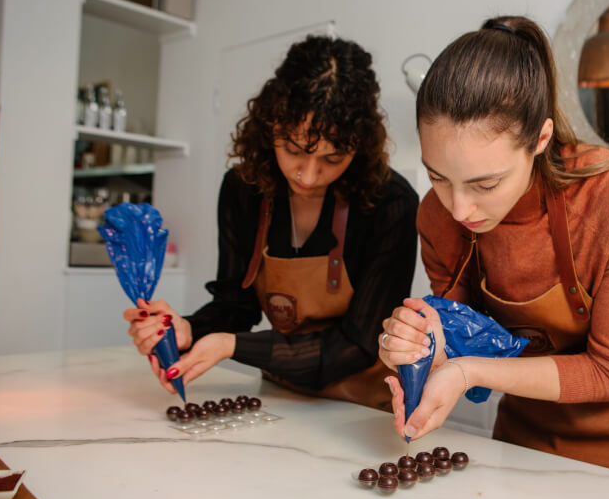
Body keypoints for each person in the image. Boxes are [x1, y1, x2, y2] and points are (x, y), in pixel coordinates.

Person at [378, 16, 609, 491]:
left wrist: (465, 370)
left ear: (540, 138)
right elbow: (471, 337)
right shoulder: (436, 216)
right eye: (437, 176)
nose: (458, 207)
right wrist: (419, 348)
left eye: (484, 183)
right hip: (524, 434)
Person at [124, 35, 419, 411]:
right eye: (294, 150)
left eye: (333, 158)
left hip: (363, 410)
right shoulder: (243, 189)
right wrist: (187, 329)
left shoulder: (390, 202)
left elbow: (357, 345)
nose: (309, 176)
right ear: (270, 127)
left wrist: (232, 346)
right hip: (281, 398)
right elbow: (236, 305)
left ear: (359, 146)